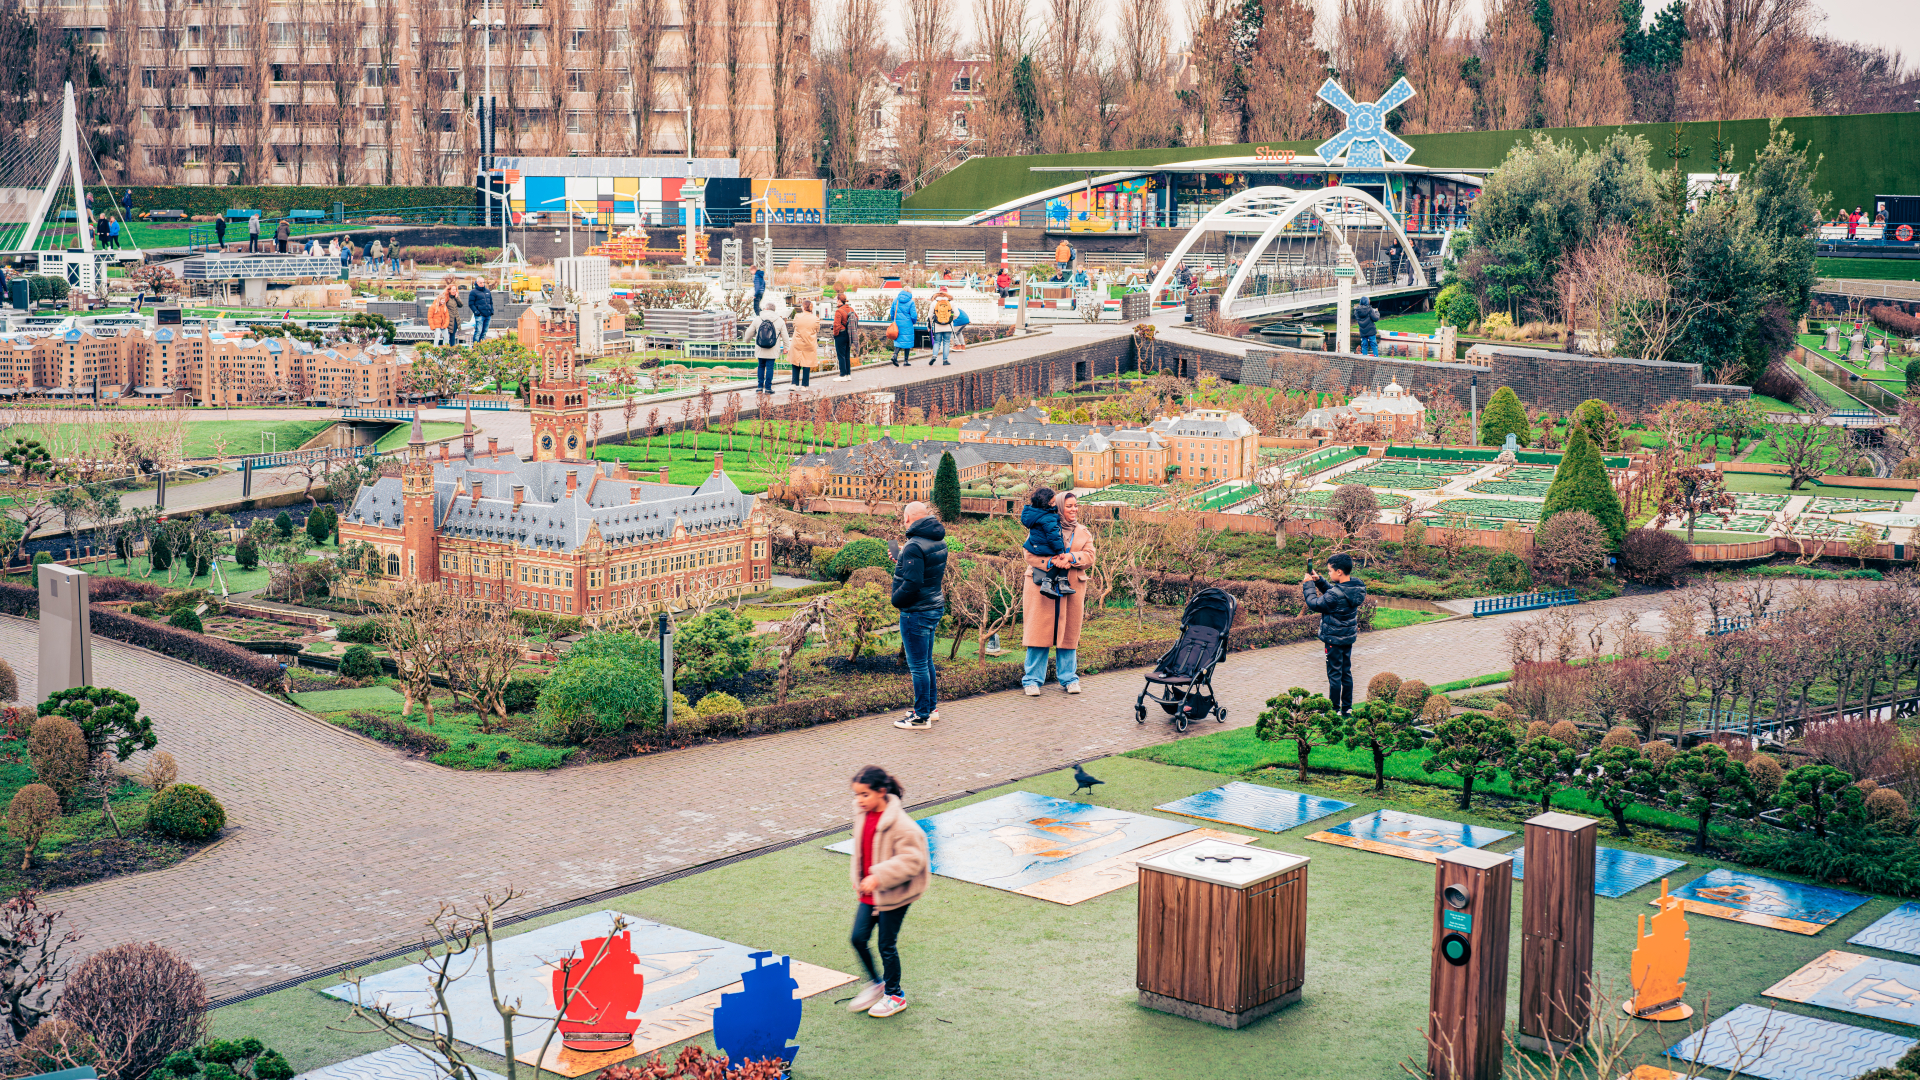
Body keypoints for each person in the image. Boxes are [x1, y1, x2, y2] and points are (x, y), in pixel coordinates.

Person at [845, 764, 928, 1018]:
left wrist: (879, 875)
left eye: (865, 795)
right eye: (856, 795)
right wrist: (860, 877)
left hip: (895, 893)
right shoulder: (863, 813)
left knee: (886, 944)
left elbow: (913, 860)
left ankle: (895, 995)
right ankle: (877, 984)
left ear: (881, 791)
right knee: (858, 938)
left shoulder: (902, 825)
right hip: (870, 891)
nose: (859, 801)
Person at [1021, 491, 1095, 695]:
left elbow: (1089, 556)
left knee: (1068, 633)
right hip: (1041, 587)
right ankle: (1032, 681)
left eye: (1076, 505)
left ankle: (1069, 679)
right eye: (1069, 506)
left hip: (1070, 587)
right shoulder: (1041, 524)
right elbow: (1029, 553)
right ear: (1060, 507)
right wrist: (1052, 561)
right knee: (1039, 632)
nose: (1074, 509)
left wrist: (1070, 557)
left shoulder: (1083, 531)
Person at [890, 501, 948, 730]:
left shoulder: (914, 545)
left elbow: (913, 583)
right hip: (933, 606)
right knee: (926, 662)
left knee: (918, 667)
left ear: (907, 518)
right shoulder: (938, 539)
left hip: (917, 611)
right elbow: (925, 571)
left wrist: (896, 599)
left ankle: (921, 716)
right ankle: (930, 708)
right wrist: (901, 560)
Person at [1302, 552, 1366, 715]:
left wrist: (1309, 585)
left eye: (1329, 571)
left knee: (1334, 674)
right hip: (1347, 639)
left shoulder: (1335, 595)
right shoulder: (1355, 587)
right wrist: (1320, 581)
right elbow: (1335, 594)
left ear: (1339, 572)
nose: (1328, 573)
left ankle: (1333, 710)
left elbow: (1314, 603)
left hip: (1333, 640)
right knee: (1346, 672)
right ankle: (1347, 708)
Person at [1021, 487, 1073, 599]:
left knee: (1060, 559)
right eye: (1052, 503)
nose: (1054, 505)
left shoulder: (1034, 514)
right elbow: (1054, 536)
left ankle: (1061, 582)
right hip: (1045, 546)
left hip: (1037, 545)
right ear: (1045, 503)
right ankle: (1050, 583)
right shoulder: (1048, 517)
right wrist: (1060, 551)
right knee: (1061, 558)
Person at [747, 296, 788, 393]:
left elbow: (749, 332)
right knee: (770, 367)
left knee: (761, 366)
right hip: (773, 348)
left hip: (760, 348)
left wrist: (747, 340)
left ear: (766, 309)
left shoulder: (758, 318)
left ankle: (759, 387)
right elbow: (785, 336)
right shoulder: (779, 320)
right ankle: (768, 388)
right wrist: (786, 348)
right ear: (774, 310)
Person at [788, 299, 819, 387]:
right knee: (807, 363)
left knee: (795, 362)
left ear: (803, 307)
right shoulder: (815, 319)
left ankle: (794, 383)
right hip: (809, 343)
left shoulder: (797, 316)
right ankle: (804, 385)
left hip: (797, 342)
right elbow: (817, 329)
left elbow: (794, 326)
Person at [889, 286, 916, 367]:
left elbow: (892, 312)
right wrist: (913, 322)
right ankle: (906, 361)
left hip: (897, 324)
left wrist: (893, 320)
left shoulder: (896, 300)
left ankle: (894, 356)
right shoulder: (911, 302)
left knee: (899, 341)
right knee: (907, 341)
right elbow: (914, 315)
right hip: (907, 324)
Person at [929, 288, 956, 366]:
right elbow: (956, 314)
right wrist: (950, 319)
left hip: (937, 326)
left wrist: (930, 325)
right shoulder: (951, 303)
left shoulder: (934, 303)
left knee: (937, 342)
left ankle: (934, 356)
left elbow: (930, 315)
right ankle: (945, 360)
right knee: (946, 343)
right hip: (948, 326)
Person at [832, 293, 854, 381]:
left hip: (841, 335)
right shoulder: (851, 309)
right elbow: (857, 318)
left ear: (839, 300)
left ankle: (842, 375)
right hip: (849, 334)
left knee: (841, 355)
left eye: (836, 300)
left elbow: (836, 325)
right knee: (847, 355)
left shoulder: (839, 311)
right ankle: (848, 374)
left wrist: (835, 334)